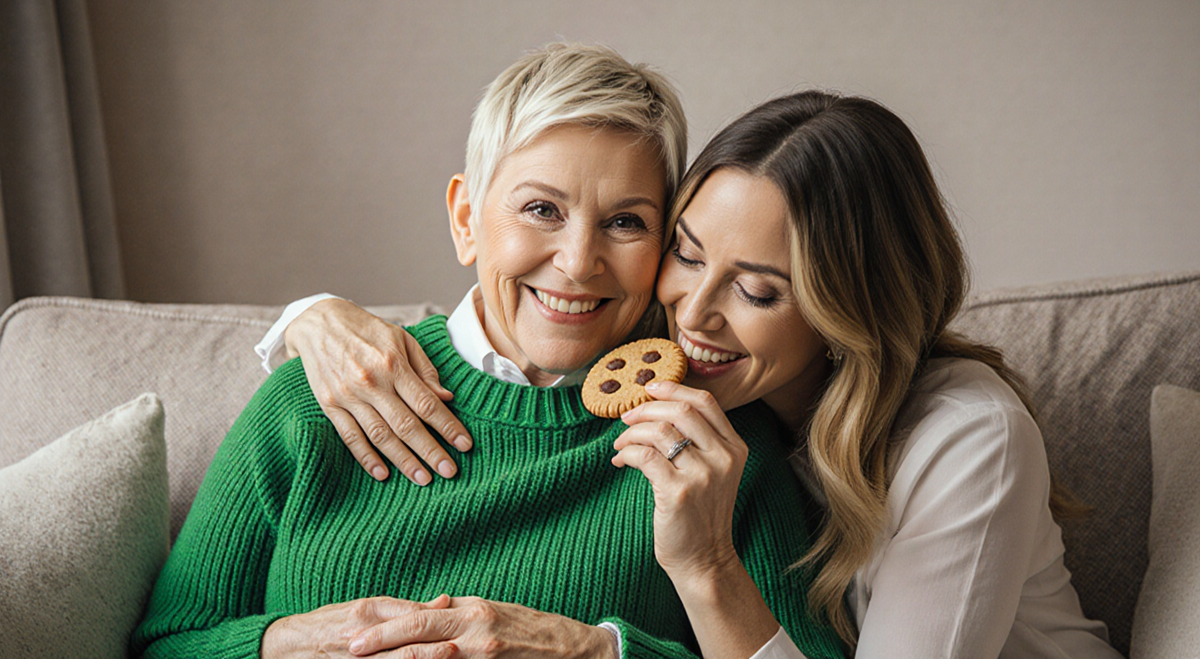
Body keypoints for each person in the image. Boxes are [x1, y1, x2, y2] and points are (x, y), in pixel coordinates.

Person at [269, 91, 1123, 658]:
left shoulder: (966, 439)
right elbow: (523, 309)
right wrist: (311, 315)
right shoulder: (687, 363)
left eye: (757, 290)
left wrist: (671, 592)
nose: (693, 314)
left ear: (849, 308)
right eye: (684, 252)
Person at [132, 43, 846, 659]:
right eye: (541, 209)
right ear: (467, 219)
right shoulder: (314, 401)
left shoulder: (713, 444)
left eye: (626, 221)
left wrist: (602, 650)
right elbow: (165, 643)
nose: (577, 261)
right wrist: (290, 642)